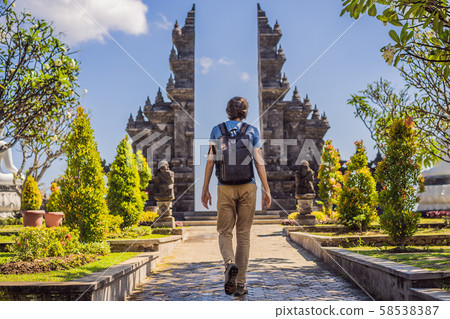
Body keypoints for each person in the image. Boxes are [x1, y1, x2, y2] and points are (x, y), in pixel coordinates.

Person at [201, 96, 271, 297]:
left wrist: (205, 188)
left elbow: (210, 161)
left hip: (225, 187)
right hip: (248, 186)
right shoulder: (252, 131)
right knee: (243, 234)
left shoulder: (217, 130)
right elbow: (258, 162)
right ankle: (240, 284)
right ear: (245, 112)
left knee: (224, 232)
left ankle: (229, 264)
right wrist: (266, 189)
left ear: (228, 111)